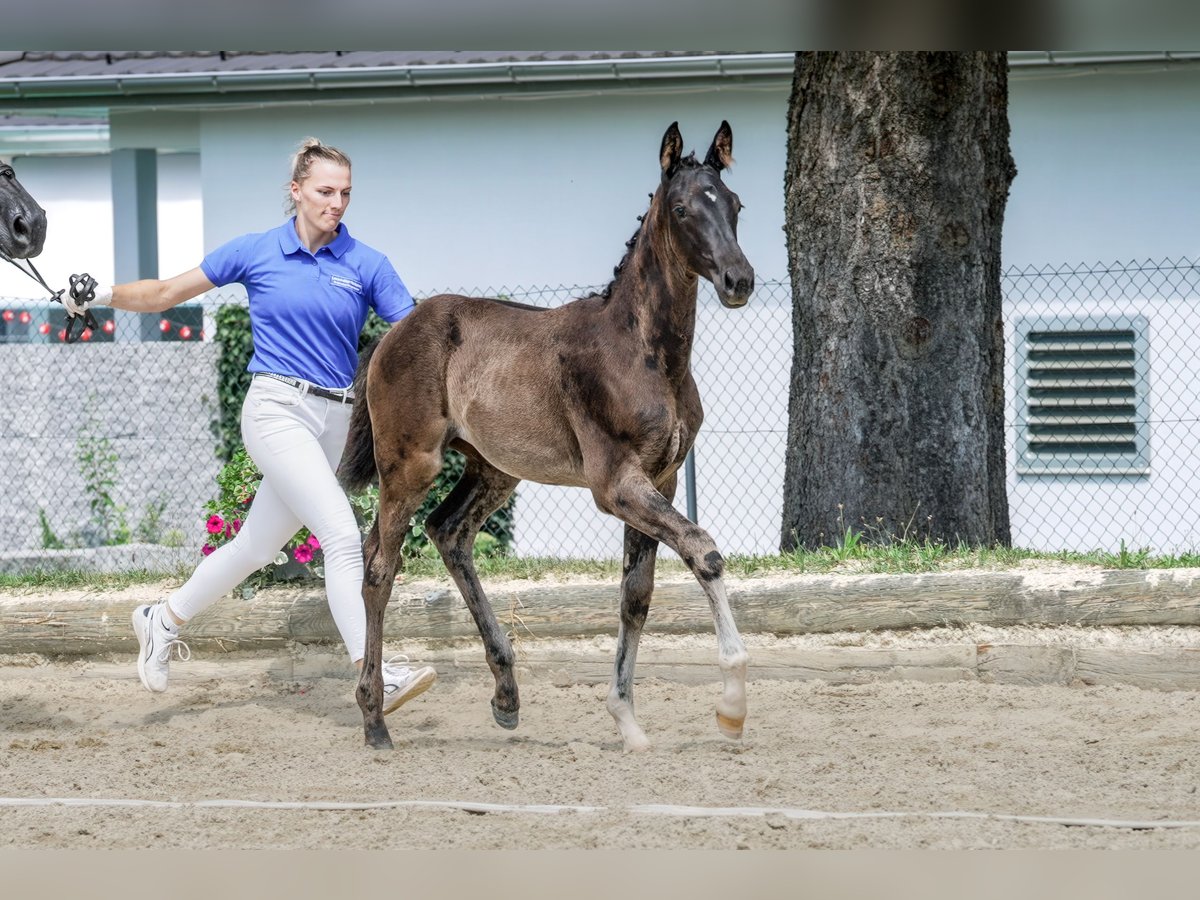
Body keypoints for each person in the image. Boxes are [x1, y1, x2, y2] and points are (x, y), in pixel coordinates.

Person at [64, 137, 436, 715]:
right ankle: (374, 672)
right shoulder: (256, 251)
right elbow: (164, 294)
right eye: (324, 191)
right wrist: (100, 296)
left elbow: (416, 339)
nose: (336, 203)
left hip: (336, 419)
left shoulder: (366, 263)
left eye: (345, 193)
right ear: (296, 191)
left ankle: (160, 620)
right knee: (341, 536)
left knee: (256, 546)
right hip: (275, 409)